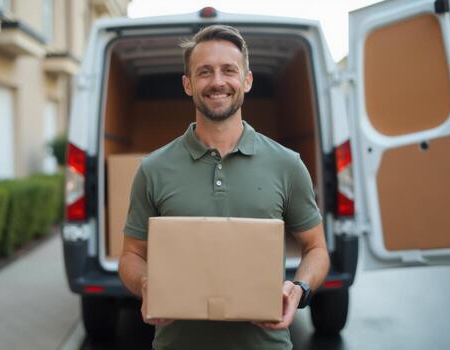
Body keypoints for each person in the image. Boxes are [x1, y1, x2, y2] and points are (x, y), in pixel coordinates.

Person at [118, 24, 330, 350]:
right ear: (188, 84)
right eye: (205, 72)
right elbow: (131, 255)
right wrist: (147, 284)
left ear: (247, 80)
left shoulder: (287, 164)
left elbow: (316, 248)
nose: (218, 82)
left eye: (228, 70)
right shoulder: (153, 169)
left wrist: (298, 287)